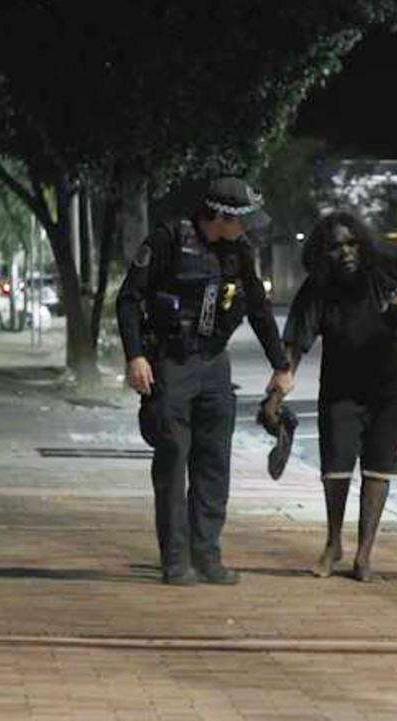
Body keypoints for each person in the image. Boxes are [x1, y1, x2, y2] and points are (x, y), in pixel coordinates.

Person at [116, 177, 293, 586]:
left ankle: (207, 555)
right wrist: (135, 356)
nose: (248, 229)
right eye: (243, 220)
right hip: (170, 363)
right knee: (174, 460)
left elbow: (259, 310)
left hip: (214, 364)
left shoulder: (239, 251)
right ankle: (176, 561)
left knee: (214, 463)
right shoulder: (168, 240)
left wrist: (281, 365)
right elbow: (128, 299)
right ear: (221, 215)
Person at [282, 211, 397, 582]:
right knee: (335, 470)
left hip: (395, 386)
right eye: (336, 247)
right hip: (341, 388)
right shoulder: (319, 287)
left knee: (378, 471)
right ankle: (332, 543)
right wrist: (280, 382)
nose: (346, 252)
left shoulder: (386, 264)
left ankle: (364, 554)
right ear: (323, 252)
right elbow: (295, 340)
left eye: (352, 243)